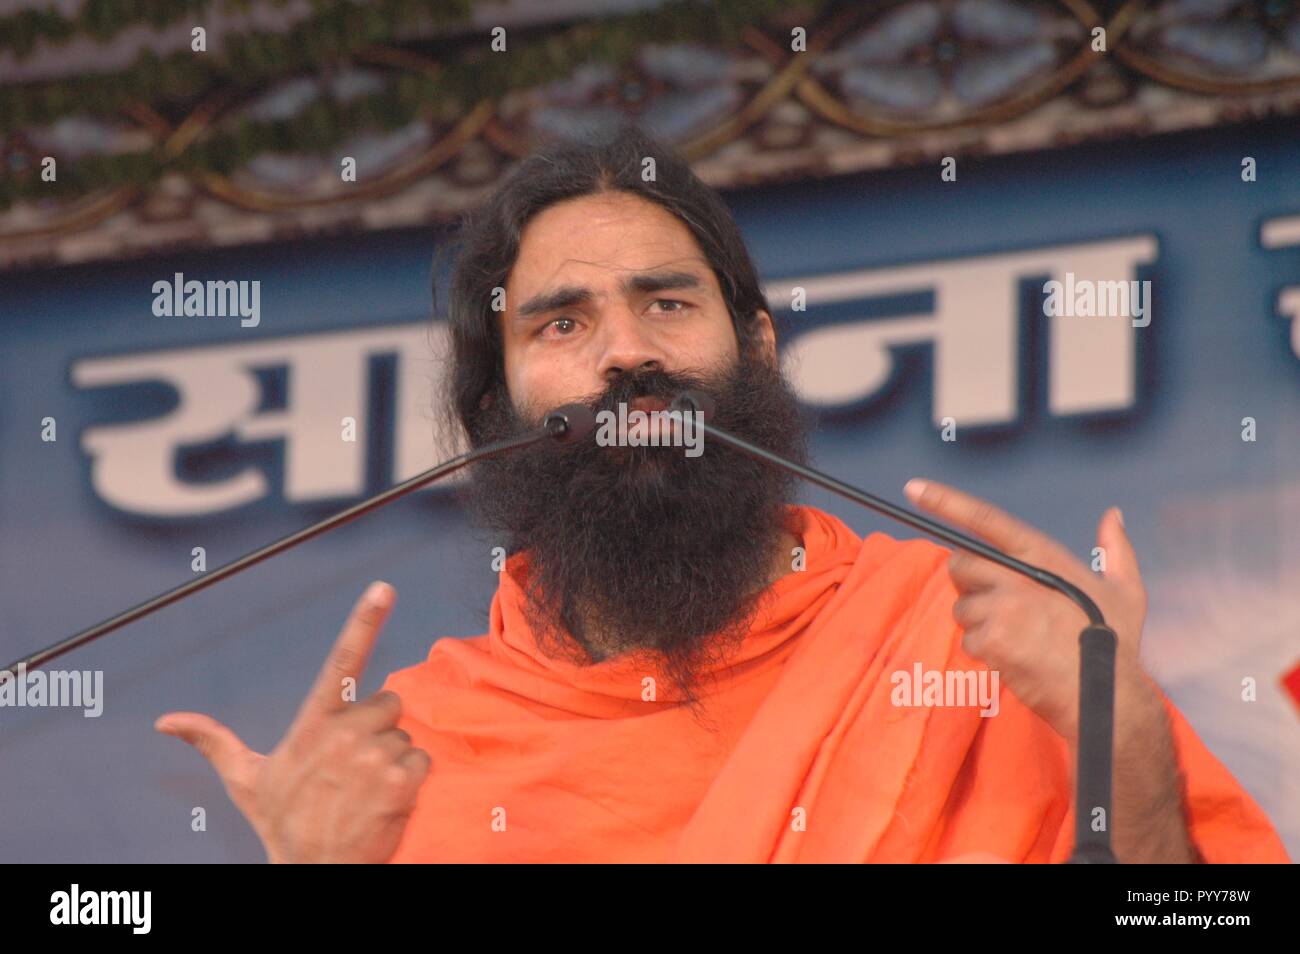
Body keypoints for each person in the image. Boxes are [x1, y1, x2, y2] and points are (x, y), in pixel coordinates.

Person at [155, 125, 1290, 864]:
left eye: (668, 304)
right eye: (562, 322)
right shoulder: (414, 750)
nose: (624, 356)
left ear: (753, 346)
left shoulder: (963, 641)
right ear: (493, 405)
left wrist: (1124, 737)